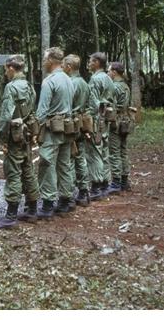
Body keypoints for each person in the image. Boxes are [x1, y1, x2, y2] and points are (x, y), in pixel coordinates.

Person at [0, 55, 40, 228]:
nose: (5, 72)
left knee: (13, 172)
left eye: (6, 69)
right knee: (28, 170)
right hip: (26, 135)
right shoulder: (29, 86)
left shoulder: (11, 88)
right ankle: (32, 210)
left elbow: (6, 117)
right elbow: (32, 111)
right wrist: (34, 133)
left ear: (11, 68)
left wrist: (3, 139)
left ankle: (11, 215)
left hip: (14, 137)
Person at [35, 47, 75, 218]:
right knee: (64, 163)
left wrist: (36, 130)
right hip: (68, 127)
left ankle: (48, 203)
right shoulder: (68, 79)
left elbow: (42, 110)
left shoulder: (49, 81)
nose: (43, 62)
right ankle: (65, 200)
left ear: (51, 61)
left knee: (46, 163)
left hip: (52, 128)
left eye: (45, 59)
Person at [63, 54, 91, 207]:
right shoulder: (84, 83)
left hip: (71, 124)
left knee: (68, 158)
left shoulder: (70, 83)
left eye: (63, 65)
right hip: (81, 123)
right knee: (80, 157)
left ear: (69, 67)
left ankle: (69, 193)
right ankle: (83, 191)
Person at [86, 52, 115, 200]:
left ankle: (96, 186)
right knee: (104, 150)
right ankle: (104, 183)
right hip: (106, 120)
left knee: (95, 151)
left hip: (97, 120)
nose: (89, 63)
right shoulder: (109, 79)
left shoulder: (95, 79)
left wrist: (88, 123)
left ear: (97, 62)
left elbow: (92, 103)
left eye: (91, 61)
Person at [107, 62, 132, 193]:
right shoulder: (125, 86)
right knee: (123, 150)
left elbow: (110, 105)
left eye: (109, 71)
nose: (108, 73)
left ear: (115, 72)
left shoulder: (114, 87)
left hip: (116, 121)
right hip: (125, 120)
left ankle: (116, 182)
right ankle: (124, 180)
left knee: (114, 152)